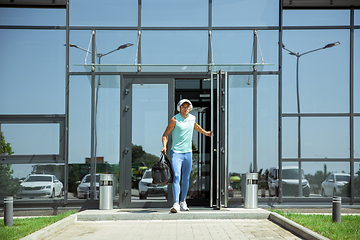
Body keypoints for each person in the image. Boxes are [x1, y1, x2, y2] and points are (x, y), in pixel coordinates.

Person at [161, 99, 212, 213]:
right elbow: (165, 135)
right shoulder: (174, 120)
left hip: (188, 153)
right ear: (179, 107)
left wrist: (206, 133)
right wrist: (164, 146)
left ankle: (183, 201)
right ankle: (176, 203)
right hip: (176, 153)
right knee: (177, 177)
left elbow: (196, 126)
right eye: (183, 106)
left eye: (188, 107)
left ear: (190, 108)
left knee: (186, 178)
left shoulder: (192, 118)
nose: (186, 108)